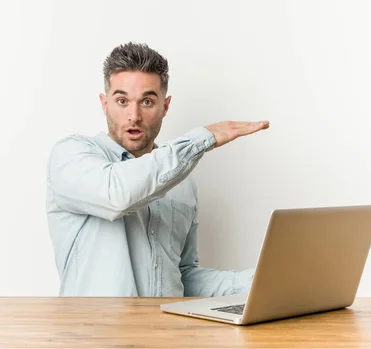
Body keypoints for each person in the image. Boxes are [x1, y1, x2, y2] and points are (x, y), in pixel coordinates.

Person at [45, 42, 269, 297]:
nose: (134, 115)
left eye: (147, 101)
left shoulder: (182, 183)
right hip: (96, 334)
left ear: (165, 106)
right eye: (122, 100)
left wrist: (262, 280)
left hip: (165, 334)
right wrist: (203, 138)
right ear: (104, 103)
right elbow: (116, 195)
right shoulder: (71, 155)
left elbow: (183, 276)